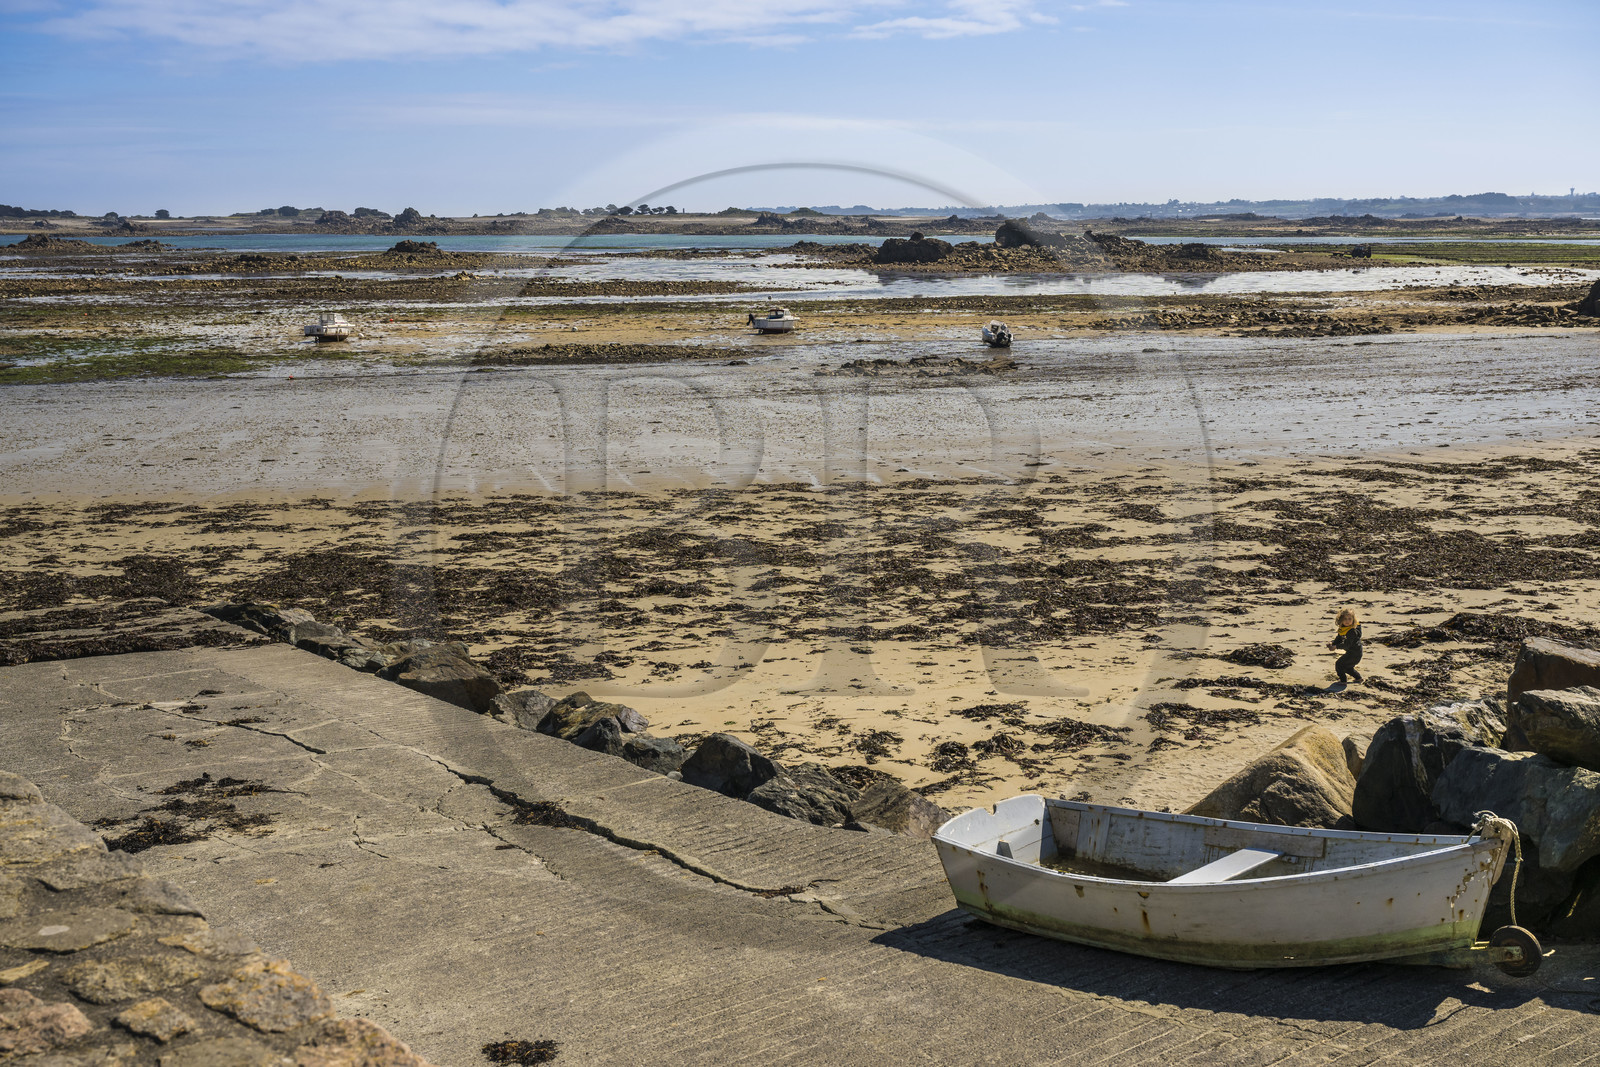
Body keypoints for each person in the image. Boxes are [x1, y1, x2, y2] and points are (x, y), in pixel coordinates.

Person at [1329, 608, 1363, 684]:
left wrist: (1336, 647)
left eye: (1349, 619)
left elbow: (1347, 645)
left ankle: (1343, 681)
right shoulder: (1343, 629)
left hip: (1355, 654)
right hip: (1352, 652)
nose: (1347, 621)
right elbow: (1339, 638)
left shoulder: (1352, 631)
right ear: (1340, 619)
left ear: (1353, 620)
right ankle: (1359, 678)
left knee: (1339, 664)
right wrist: (1333, 643)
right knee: (1348, 667)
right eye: (1345, 619)